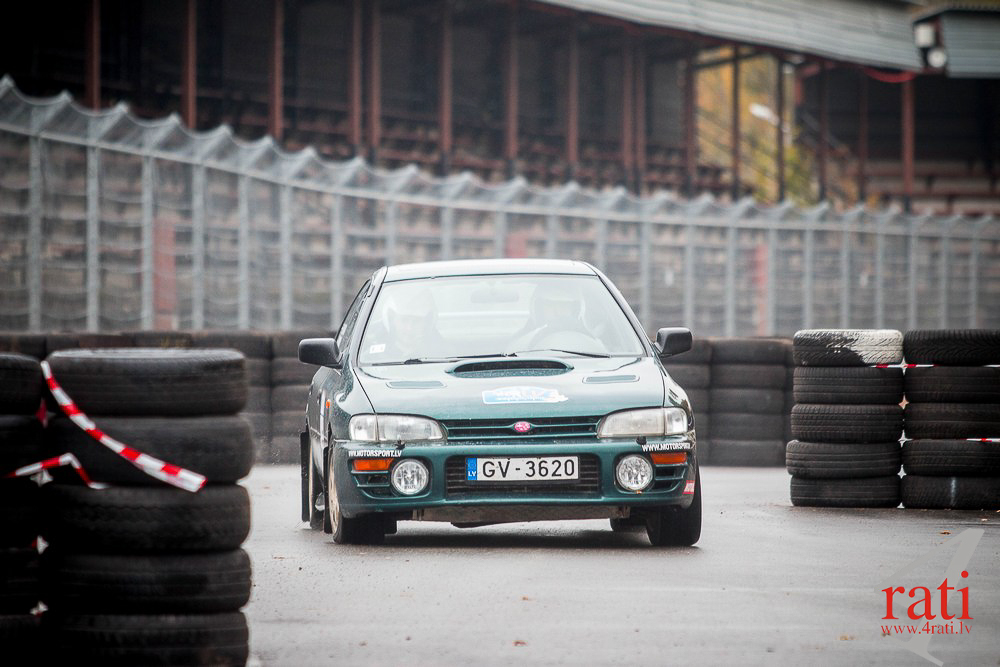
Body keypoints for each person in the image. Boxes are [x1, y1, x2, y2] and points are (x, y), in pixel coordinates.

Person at [363, 286, 445, 362]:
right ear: (392, 321)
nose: (409, 328)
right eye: (404, 320)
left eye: (416, 321)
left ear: (427, 322)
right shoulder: (372, 357)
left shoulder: (442, 354)